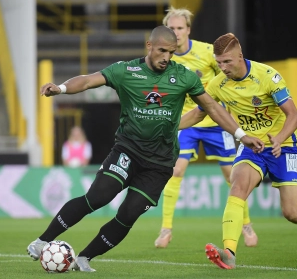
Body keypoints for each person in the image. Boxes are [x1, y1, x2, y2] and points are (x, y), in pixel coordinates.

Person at [26, 26, 265, 272]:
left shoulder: (184, 77)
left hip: (160, 164)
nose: (166, 57)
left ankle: (85, 258)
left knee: (128, 214)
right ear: (149, 46)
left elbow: (213, 109)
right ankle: (42, 241)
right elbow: (88, 80)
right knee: (98, 197)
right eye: (162, 51)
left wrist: (241, 135)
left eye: (171, 53)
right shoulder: (126, 71)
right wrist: (62, 89)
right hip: (127, 152)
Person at [179, 33, 297, 270]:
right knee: (237, 188)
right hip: (251, 147)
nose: (222, 67)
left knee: (293, 213)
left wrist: (280, 139)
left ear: (240, 56)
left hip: (283, 147)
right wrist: (170, 123)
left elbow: (294, 116)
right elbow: (198, 113)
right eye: (219, 62)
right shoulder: (217, 84)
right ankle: (229, 253)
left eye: (227, 61)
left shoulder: (267, 77)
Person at [154, 7, 258, 249]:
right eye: (171, 29)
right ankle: (166, 229)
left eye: (180, 28)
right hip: (187, 121)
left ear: (188, 29)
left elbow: (228, 72)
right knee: (176, 170)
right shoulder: (164, 58)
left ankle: (246, 223)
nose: (176, 32)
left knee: (231, 175)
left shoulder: (206, 52)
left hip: (214, 121)